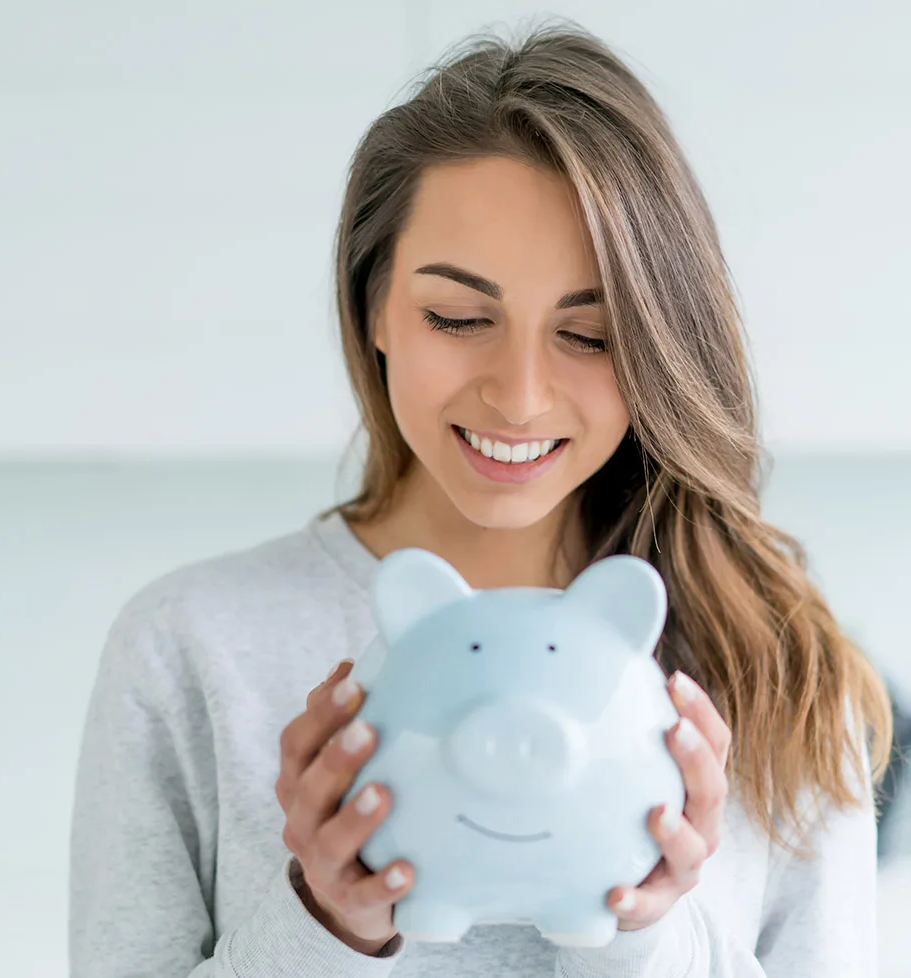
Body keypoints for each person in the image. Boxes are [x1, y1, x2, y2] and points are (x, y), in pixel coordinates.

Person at [69, 22, 892, 978]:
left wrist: (646, 933)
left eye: (589, 334)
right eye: (459, 318)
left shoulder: (776, 667)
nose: (521, 394)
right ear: (374, 304)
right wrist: (325, 928)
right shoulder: (191, 650)